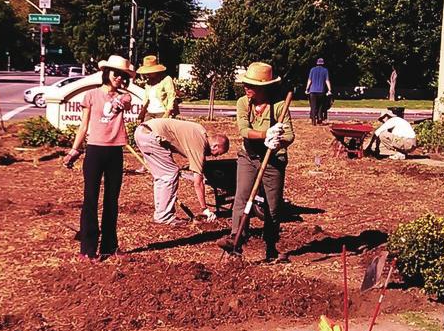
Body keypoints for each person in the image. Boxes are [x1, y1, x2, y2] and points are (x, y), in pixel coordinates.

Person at [218, 62, 295, 262]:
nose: (246, 87)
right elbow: (243, 130)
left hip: (273, 161)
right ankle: (236, 241)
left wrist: (278, 140)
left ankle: (271, 247)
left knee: (272, 206)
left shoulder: (279, 105)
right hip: (249, 156)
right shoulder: (243, 102)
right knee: (241, 198)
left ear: (264, 87)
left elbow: (290, 135)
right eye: (246, 84)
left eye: (251, 85)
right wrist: (264, 134)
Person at [62, 55, 134, 261]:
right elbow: (83, 126)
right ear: (106, 73)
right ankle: (87, 249)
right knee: (90, 199)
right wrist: (75, 150)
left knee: (112, 200)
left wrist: (119, 96)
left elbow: (125, 103)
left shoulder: (124, 97)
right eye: (116, 73)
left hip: (115, 151)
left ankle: (110, 246)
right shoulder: (91, 96)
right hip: (94, 150)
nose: (119, 78)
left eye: (123, 75)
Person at [134, 118, 230, 226]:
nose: (215, 156)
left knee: (162, 176)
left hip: (142, 132)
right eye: (217, 153)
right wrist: (205, 209)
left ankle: (161, 214)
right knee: (170, 173)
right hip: (151, 136)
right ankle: (164, 216)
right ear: (215, 146)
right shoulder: (199, 145)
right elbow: (198, 183)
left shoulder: (200, 131)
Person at [136, 55, 177, 121]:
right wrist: (142, 112)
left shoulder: (166, 79)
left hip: (162, 112)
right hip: (149, 112)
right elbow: (147, 99)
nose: (147, 74)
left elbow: (171, 96)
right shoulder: (148, 82)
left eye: (149, 72)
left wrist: (168, 113)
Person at [305, 58, 332, 125]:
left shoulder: (312, 70)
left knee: (313, 106)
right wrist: (329, 89)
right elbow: (327, 81)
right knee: (320, 105)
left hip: (312, 91)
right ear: (323, 63)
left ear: (317, 63)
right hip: (321, 91)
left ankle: (313, 120)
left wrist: (307, 88)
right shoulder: (325, 70)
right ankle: (319, 118)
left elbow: (309, 80)